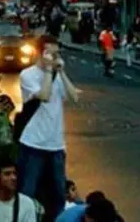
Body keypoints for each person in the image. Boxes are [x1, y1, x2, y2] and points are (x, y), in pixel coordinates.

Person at [17, 36, 80, 221]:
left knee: (58, 193)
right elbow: (43, 95)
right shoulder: (27, 74)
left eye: (56, 53)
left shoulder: (56, 75)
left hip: (56, 145)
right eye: (49, 53)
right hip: (33, 143)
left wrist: (61, 73)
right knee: (28, 192)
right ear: (39, 53)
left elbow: (74, 97)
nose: (54, 57)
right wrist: (48, 70)